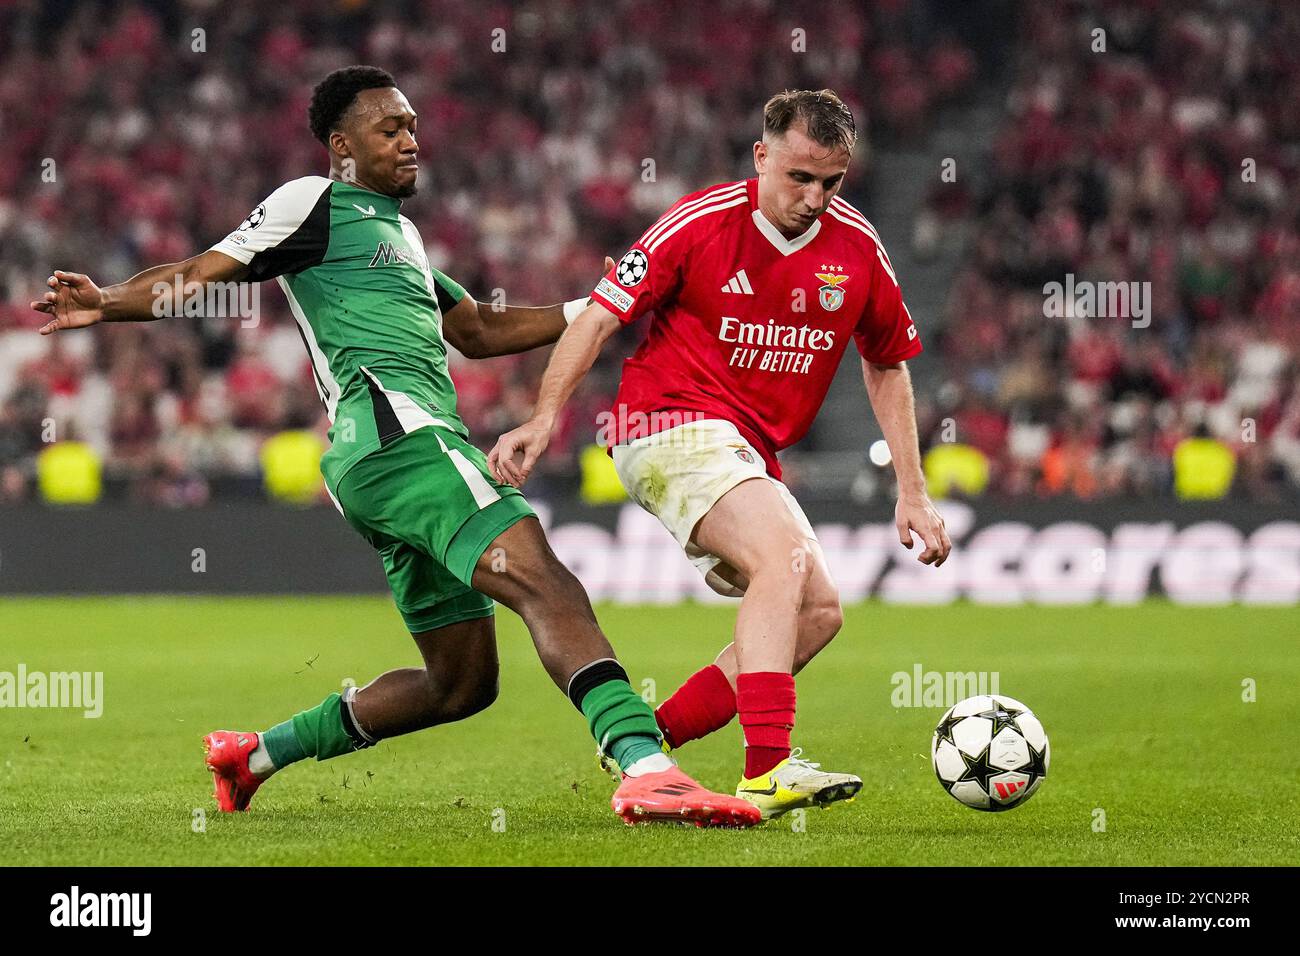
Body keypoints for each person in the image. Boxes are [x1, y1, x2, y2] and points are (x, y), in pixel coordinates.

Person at [32, 65, 759, 829]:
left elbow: (476, 329)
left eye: (413, 125)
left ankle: (253, 756)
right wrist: (108, 302)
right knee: (545, 580)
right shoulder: (311, 202)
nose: (412, 140)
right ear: (342, 146)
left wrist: (601, 305)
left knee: (461, 683)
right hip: (398, 439)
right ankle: (647, 768)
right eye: (391, 129)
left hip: (388, 463)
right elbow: (199, 274)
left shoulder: (401, 234)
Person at [489, 89, 951, 820]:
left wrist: (912, 490)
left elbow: (888, 361)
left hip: (745, 449)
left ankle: (647, 743)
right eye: (799, 177)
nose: (814, 198)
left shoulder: (858, 245)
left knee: (820, 611)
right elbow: (602, 315)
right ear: (762, 156)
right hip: (665, 421)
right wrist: (546, 416)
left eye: (831, 182)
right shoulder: (700, 222)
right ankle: (768, 768)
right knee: (782, 558)